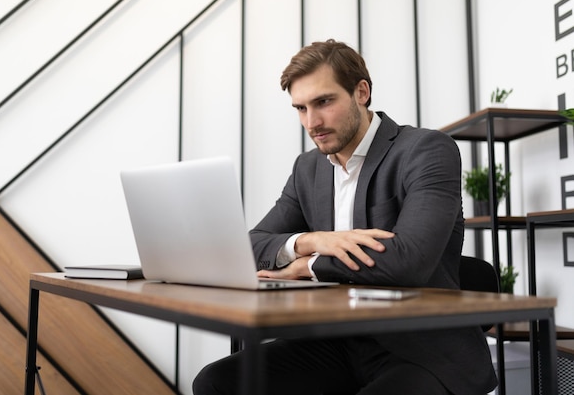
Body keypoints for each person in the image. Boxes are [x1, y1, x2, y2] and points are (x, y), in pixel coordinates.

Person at [193, 39, 497, 395]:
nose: (312, 122)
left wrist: (309, 265)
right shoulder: (308, 169)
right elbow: (252, 243)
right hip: (338, 341)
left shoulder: (426, 150)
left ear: (361, 92)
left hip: (420, 349)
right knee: (215, 383)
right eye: (301, 108)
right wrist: (311, 241)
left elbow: (409, 261)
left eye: (323, 102)